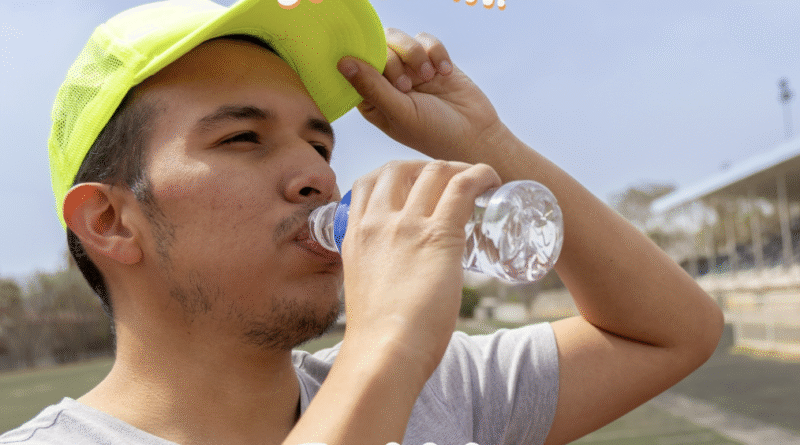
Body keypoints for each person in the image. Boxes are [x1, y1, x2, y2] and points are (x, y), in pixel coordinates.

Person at [1, 0, 724, 444]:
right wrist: (386, 345)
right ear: (109, 221)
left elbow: (672, 330)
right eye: (243, 138)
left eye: (320, 144)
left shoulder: (438, 392)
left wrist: (486, 143)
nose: (318, 176)